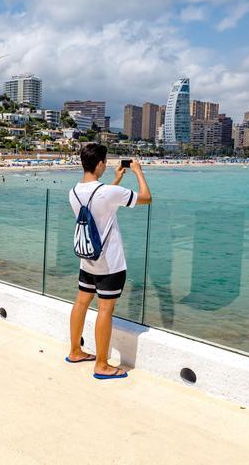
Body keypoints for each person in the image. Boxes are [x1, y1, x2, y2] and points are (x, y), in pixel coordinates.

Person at [66, 144, 151, 380]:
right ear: (100, 163)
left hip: (87, 260)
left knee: (81, 303)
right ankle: (101, 365)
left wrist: (116, 180)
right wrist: (138, 172)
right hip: (110, 264)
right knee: (105, 309)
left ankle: (75, 351)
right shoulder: (106, 192)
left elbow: (99, 202)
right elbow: (146, 198)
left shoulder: (74, 191)